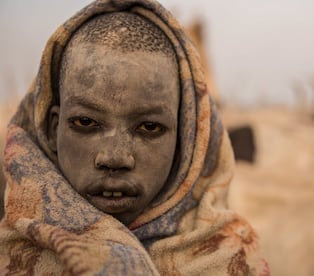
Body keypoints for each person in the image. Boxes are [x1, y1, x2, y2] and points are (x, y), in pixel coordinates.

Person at [0, 0, 269, 274]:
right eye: (85, 122)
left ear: (186, 140)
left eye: (149, 127)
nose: (114, 157)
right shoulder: (11, 255)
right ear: (53, 128)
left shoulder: (230, 262)